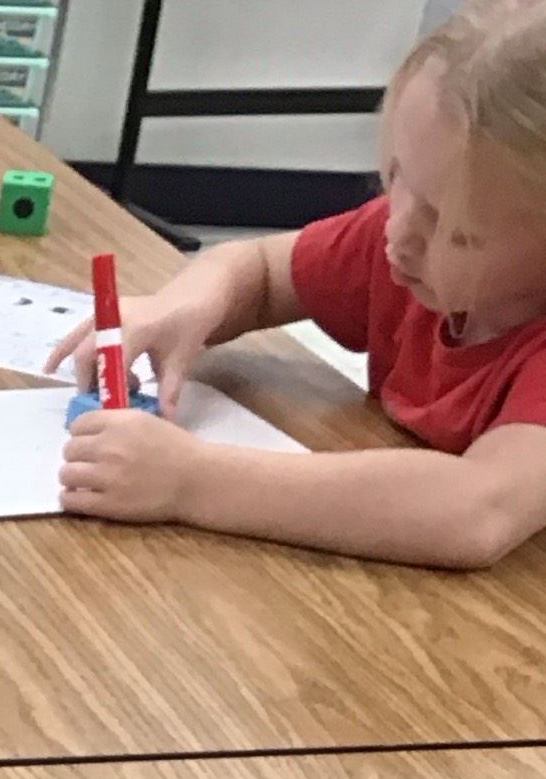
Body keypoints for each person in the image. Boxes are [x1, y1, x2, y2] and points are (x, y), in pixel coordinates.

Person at [50, 0, 546, 568]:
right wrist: (180, 306)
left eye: (455, 231)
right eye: (396, 178)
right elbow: (261, 271)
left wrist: (190, 479)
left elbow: (475, 511)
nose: (399, 232)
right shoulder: (403, 240)